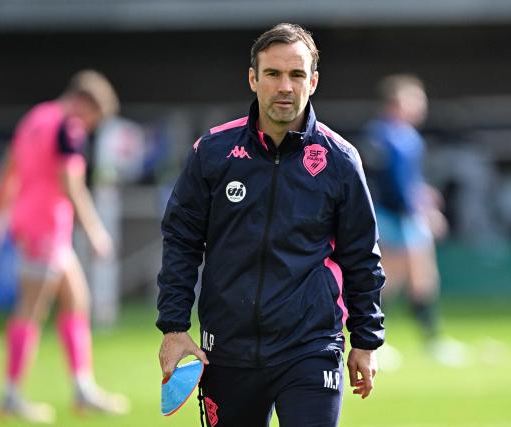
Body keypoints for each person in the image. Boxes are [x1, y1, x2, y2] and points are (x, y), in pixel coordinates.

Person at [157, 23, 385, 427]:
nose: (285, 86)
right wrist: (174, 327)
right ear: (253, 78)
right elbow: (181, 242)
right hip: (226, 351)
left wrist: (366, 342)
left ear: (312, 82)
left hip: (310, 347)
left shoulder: (340, 160)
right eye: (273, 74)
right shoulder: (212, 152)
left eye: (297, 75)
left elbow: (362, 257)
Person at [0, 70, 129, 422]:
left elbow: (10, 169)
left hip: (32, 223)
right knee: (31, 309)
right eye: (93, 118)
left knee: (76, 300)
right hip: (45, 228)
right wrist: (94, 230)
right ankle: (10, 394)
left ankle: (82, 388)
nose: (90, 126)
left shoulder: (36, 116)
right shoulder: (67, 126)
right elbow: (70, 183)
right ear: (84, 103)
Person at [363, 74, 466, 367]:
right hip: (394, 217)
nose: (422, 107)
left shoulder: (405, 136)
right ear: (398, 102)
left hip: (405, 215)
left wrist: (423, 196)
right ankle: (372, 339)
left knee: (422, 278)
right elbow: (391, 184)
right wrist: (419, 210)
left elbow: (408, 181)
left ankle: (432, 339)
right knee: (390, 280)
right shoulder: (384, 135)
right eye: (416, 100)